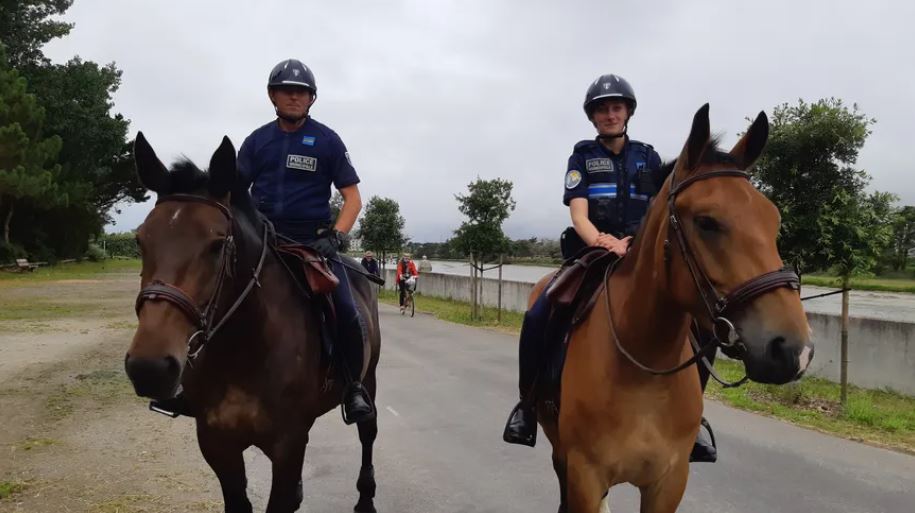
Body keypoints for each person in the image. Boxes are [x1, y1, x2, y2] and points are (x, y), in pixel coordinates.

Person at [501, 74, 718, 462]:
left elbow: (660, 211)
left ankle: (695, 416)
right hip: (595, 250)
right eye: (602, 109)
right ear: (593, 117)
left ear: (628, 112)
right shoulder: (581, 156)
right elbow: (578, 213)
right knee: (539, 312)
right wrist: (603, 240)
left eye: (616, 107)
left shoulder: (648, 157)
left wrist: (635, 243)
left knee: (701, 321)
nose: (610, 114)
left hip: (643, 252)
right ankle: (528, 405)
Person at [235, 58, 374, 424]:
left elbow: (352, 198)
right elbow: (235, 193)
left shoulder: (327, 141)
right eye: (286, 91)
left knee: (346, 310)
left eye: (301, 92)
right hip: (264, 241)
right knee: (214, 295)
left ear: (311, 98)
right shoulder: (256, 141)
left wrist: (336, 236)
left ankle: (353, 386)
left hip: (314, 246)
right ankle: (196, 383)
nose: (293, 97)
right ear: (272, 96)